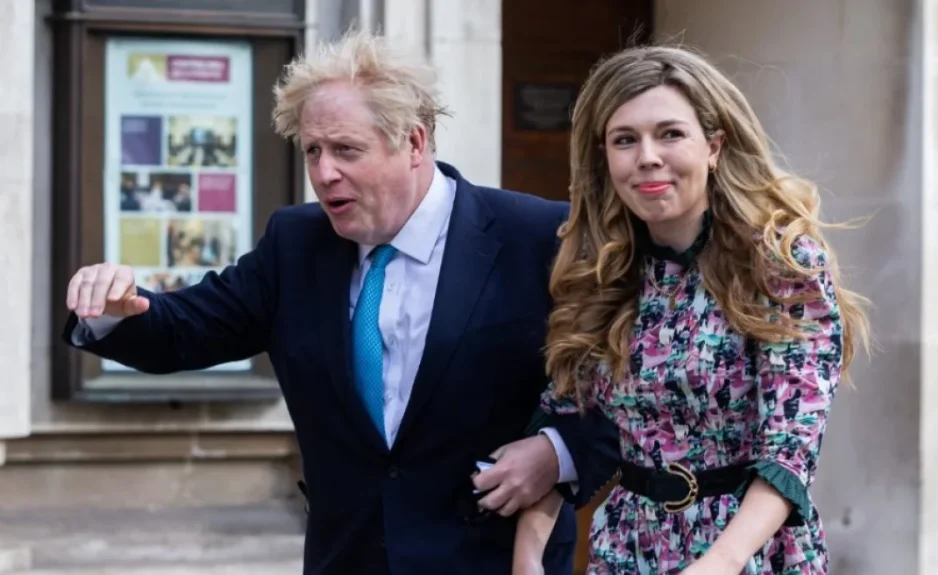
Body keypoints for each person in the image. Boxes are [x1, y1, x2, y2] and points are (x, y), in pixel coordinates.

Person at [61, 29, 616, 575]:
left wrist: (556, 454)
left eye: (346, 150)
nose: (324, 173)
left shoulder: (537, 236)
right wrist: (114, 306)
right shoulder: (294, 244)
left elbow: (632, 387)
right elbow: (184, 329)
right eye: (313, 151)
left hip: (491, 560)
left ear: (414, 143)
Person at [511, 44, 871, 574]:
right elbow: (567, 415)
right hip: (627, 548)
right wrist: (528, 556)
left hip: (748, 551)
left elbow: (789, 448)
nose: (647, 156)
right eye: (625, 140)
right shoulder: (605, 272)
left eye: (670, 134)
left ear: (714, 147)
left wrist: (719, 562)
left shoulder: (780, 264)